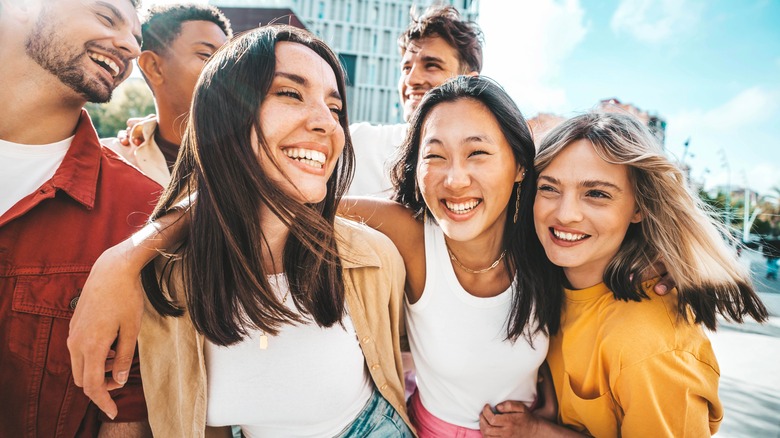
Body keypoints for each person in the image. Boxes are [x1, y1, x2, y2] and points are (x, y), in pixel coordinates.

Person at [114, 25, 414, 436]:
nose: (327, 123)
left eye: (336, 108)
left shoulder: (374, 259)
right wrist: (118, 264)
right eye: (291, 93)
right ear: (225, 113)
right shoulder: (161, 281)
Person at [479, 112, 768, 436]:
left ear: (639, 207)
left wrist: (534, 431)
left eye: (597, 194)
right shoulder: (553, 280)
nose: (565, 213)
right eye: (549, 188)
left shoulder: (651, 346)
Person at [341, 75, 558, 436]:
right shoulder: (412, 235)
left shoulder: (546, 243)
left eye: (477, 153)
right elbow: (302, 208)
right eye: (435, 156)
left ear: (520, 165)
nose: (455, 179)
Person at [118, 5, 483, 197]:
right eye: (406, 66)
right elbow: (263, 153)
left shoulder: (499, 159)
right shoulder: (358, 142)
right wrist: (154, 128)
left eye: (431, 65)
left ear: (470, 79)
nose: (413, 78)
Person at [0, 0, 157, 436]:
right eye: (107, 18)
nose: (128, 45)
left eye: (136, 39)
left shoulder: (140, 212)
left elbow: (125, 406)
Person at [102, 3, 232, 186]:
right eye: (206, 55)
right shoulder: (107, 164)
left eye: (229, 60)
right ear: (153, 67)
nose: (226, 70)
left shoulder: (256, 164)